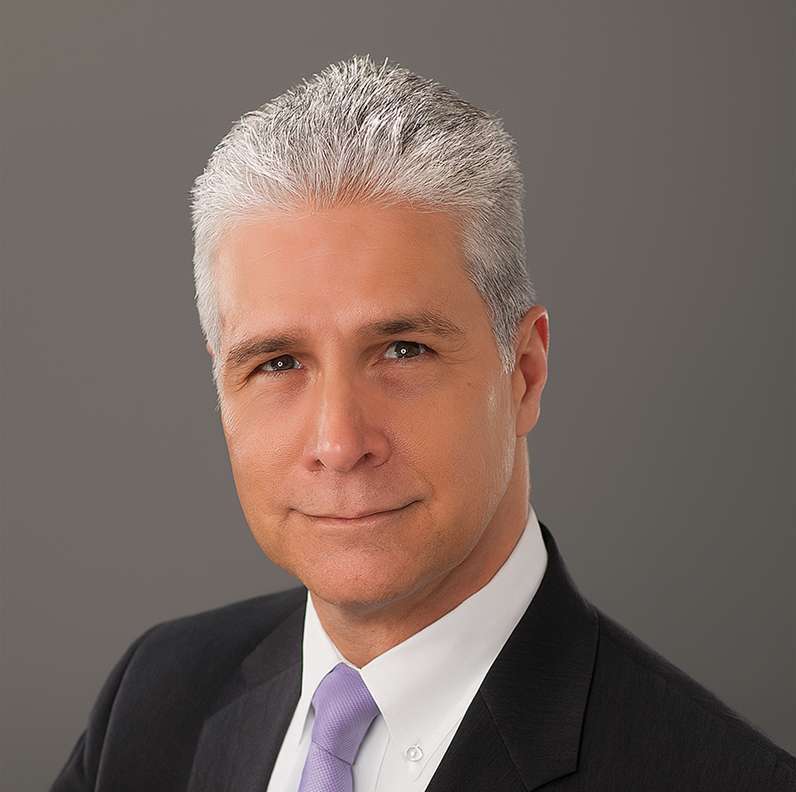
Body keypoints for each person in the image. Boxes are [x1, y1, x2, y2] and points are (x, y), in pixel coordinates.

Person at [51, 54, 794, 792]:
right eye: (277, 362)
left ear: (525, 370)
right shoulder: (152, 701)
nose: (339, 444)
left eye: (403, 350)